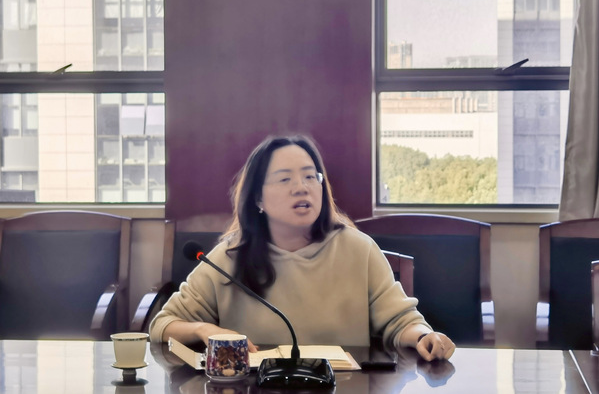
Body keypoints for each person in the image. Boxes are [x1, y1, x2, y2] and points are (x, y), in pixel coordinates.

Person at [149, 134, 455, 362]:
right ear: (257, 199)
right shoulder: (229, 257)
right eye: (285, 179)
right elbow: (162, 324)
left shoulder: (359, 250)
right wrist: (204, 330)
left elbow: (400, 321)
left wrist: (424, 336)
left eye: (311, 176)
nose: (301, 187)